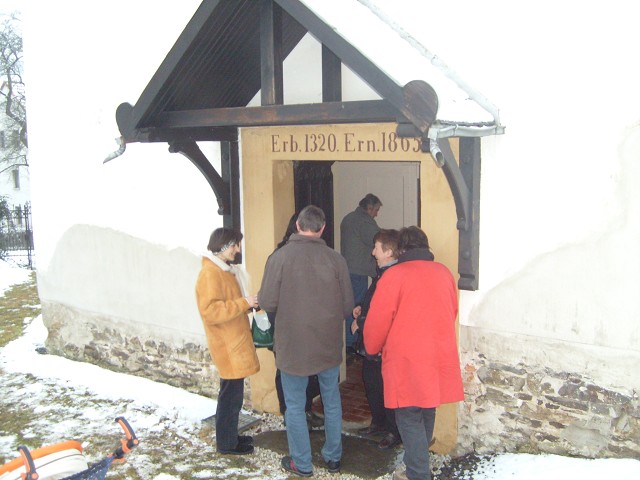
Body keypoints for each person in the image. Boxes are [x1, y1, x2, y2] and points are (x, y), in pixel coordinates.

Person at [259, 205, 354, 477]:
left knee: (295, 404)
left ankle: (301, 463)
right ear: (322, 228)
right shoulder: (336, 260)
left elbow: (266, 301)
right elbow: (348, 305)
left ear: (298, 226)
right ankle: (333, 456)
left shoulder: (280, 257)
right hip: (327, 343)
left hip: (293, 344)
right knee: (331, 399)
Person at [363, 226, 464, 480]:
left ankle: (419, 474)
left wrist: (371, 347)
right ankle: (414, 466)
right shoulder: (444, 273)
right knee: (427, 408)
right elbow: (451, 311)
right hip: (436, 353)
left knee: (407, 415)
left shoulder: (395, 276)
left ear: (402, 249)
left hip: (406, 358)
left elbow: (378, 321)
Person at [195, 227, 260, 456]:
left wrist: (248, 304)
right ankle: (226, 444)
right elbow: (211, 311)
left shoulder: (223, 271)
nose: (238, 250)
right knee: (230, 397)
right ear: (222, 246)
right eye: (235, 245)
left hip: (234, 343)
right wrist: (244, 303)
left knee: (233, 395)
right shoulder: (210, 274)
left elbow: (229, 304)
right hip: (227, 346)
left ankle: (230, 437)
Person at [268, 213, 323, 430]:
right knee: (286, 371)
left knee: (308, 370)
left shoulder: (316, 255)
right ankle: (291, 415)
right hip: (286, 324)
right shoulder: (280, 255)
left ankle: (305, 411)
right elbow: (270, 295)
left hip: (308, 324)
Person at [350, 229, 402, 450]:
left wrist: (361, 323)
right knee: (372, 383)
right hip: (372, 342)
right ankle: (378, 423)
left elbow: (386, 313)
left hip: (384, 344)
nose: (373, 252)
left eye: (377, 248)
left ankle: (393, 431)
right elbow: (374, 303)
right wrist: (362, 308)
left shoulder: (394, 275)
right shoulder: (383, 272)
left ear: (389, 252)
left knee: (386, 387)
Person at [340, 193, 382, 351]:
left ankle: (347, 343)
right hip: (359, 272)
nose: (377, 214)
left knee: (349, 305)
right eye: (376, 210)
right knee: (357, 307)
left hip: (347, 269)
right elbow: (379, 239)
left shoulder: (348, 218)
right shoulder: (364, 222)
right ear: (369, 208)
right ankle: (352, 343)